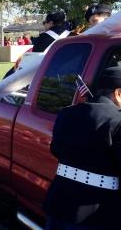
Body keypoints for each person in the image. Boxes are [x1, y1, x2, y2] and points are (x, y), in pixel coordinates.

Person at [43, 66, 121, 230]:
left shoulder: (66, 113)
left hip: (58, 203)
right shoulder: (117, 121)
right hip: (96, 214)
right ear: (118, 93)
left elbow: (55, 150)